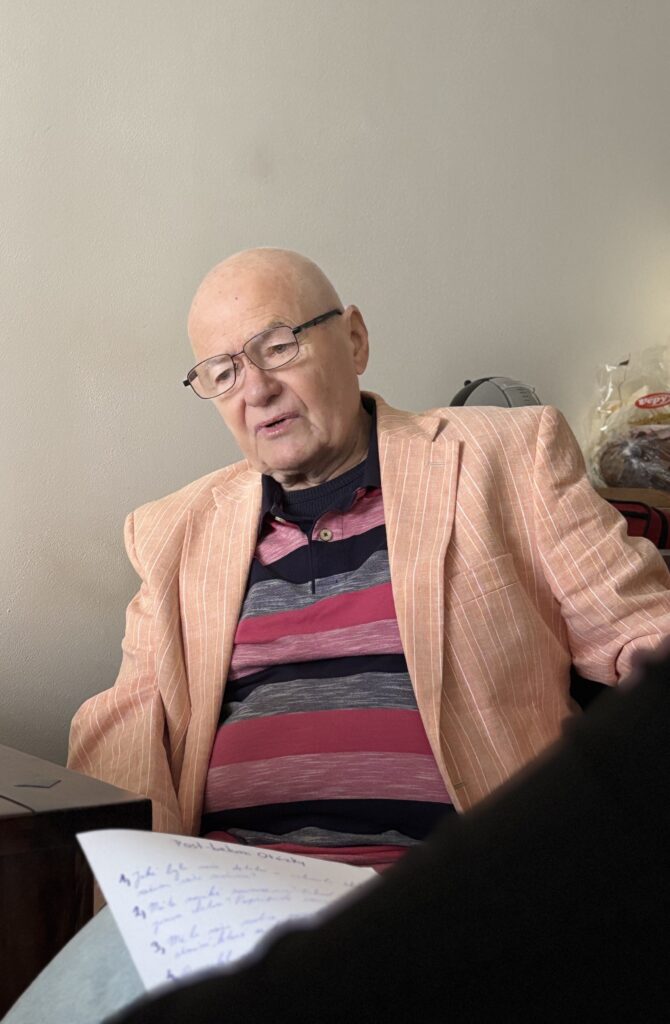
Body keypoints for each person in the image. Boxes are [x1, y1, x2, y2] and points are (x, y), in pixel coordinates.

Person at [5, 247, 670, 1022]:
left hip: (432, 898)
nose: (256, 388)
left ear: (353, 339)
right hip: (217, 899)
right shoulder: (173, 530)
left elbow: (642, 630)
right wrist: (126, 891)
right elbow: (122, 733)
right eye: (222, 372)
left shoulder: (507, 457)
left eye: (278, 346)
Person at [108, 641, 670, 1024]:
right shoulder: (174, 528)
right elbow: (131, 708)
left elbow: (637, 622)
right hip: (216, 879)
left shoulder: (512, 490)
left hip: (433, 874)